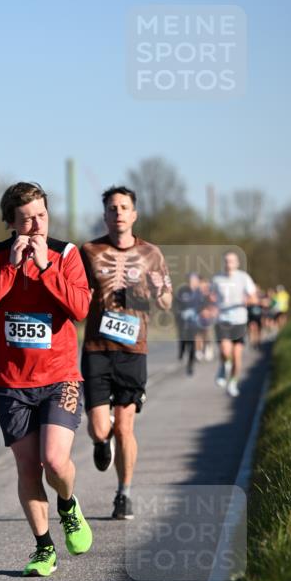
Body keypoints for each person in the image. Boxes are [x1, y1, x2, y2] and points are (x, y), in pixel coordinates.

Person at [0, 181, 93, 577]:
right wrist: (9, 269)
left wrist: (44, 268)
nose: (36, 225)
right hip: (10, 382)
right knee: (27, 468)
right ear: (10, 224)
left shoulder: (66, 254)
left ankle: (69, 506)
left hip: (59, 376)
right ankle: (43, 548)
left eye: (41, 216)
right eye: (26, 220)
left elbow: (81, 307)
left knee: (54, 460)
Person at [80, 186, 173, 520]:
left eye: (124, 207)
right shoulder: (88, 251)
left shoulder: (151, 254)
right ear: (105, 215)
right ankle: (99, 443)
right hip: (96, 348)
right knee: (99, 427)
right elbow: (75, 297)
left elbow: (166, 302)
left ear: (134, 214)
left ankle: (124, 493)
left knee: (125, 426)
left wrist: (154, 288)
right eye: (112, 207)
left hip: (134, 348)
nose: (118, 212)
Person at [211, 251, 258, 397]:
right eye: (226, 261)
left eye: (231, 261)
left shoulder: (243, 278)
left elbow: (254, 298)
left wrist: (246, 301)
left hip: (240, 321)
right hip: (223, 320)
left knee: (237, 358)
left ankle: (232, 383)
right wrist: (209, 307)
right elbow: (211, 297)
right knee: (225, 351)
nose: (228, 264)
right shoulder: (217, 279)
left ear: (237, 263)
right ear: (223, 263)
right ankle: (223, 366)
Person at [174, 272, 203, 375]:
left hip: (194, 323)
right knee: (183, 340)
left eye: (194, 280)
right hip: (183, 322)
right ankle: (181, 352)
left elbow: (204, 307)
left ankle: (190, 365)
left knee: (192, 344)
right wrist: (178, 315)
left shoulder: (200, 293)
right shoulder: (182, 291)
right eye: (190, 280)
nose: (192, 282)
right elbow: (176, 305)